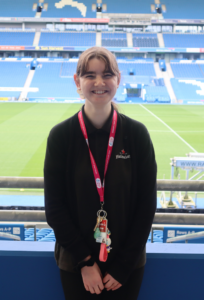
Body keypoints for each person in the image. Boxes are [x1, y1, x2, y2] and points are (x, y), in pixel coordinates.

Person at [44, 47, 157, 300]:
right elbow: (54, 207)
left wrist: (124, 266)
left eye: (107, 74)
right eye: (89, 75)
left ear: (118, 80)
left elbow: (146, 205)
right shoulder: (61, 136)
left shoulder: (137, 134)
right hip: (76, 265)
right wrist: (84, 262)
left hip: (126, 267)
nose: (99, 82)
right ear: (77, 81)